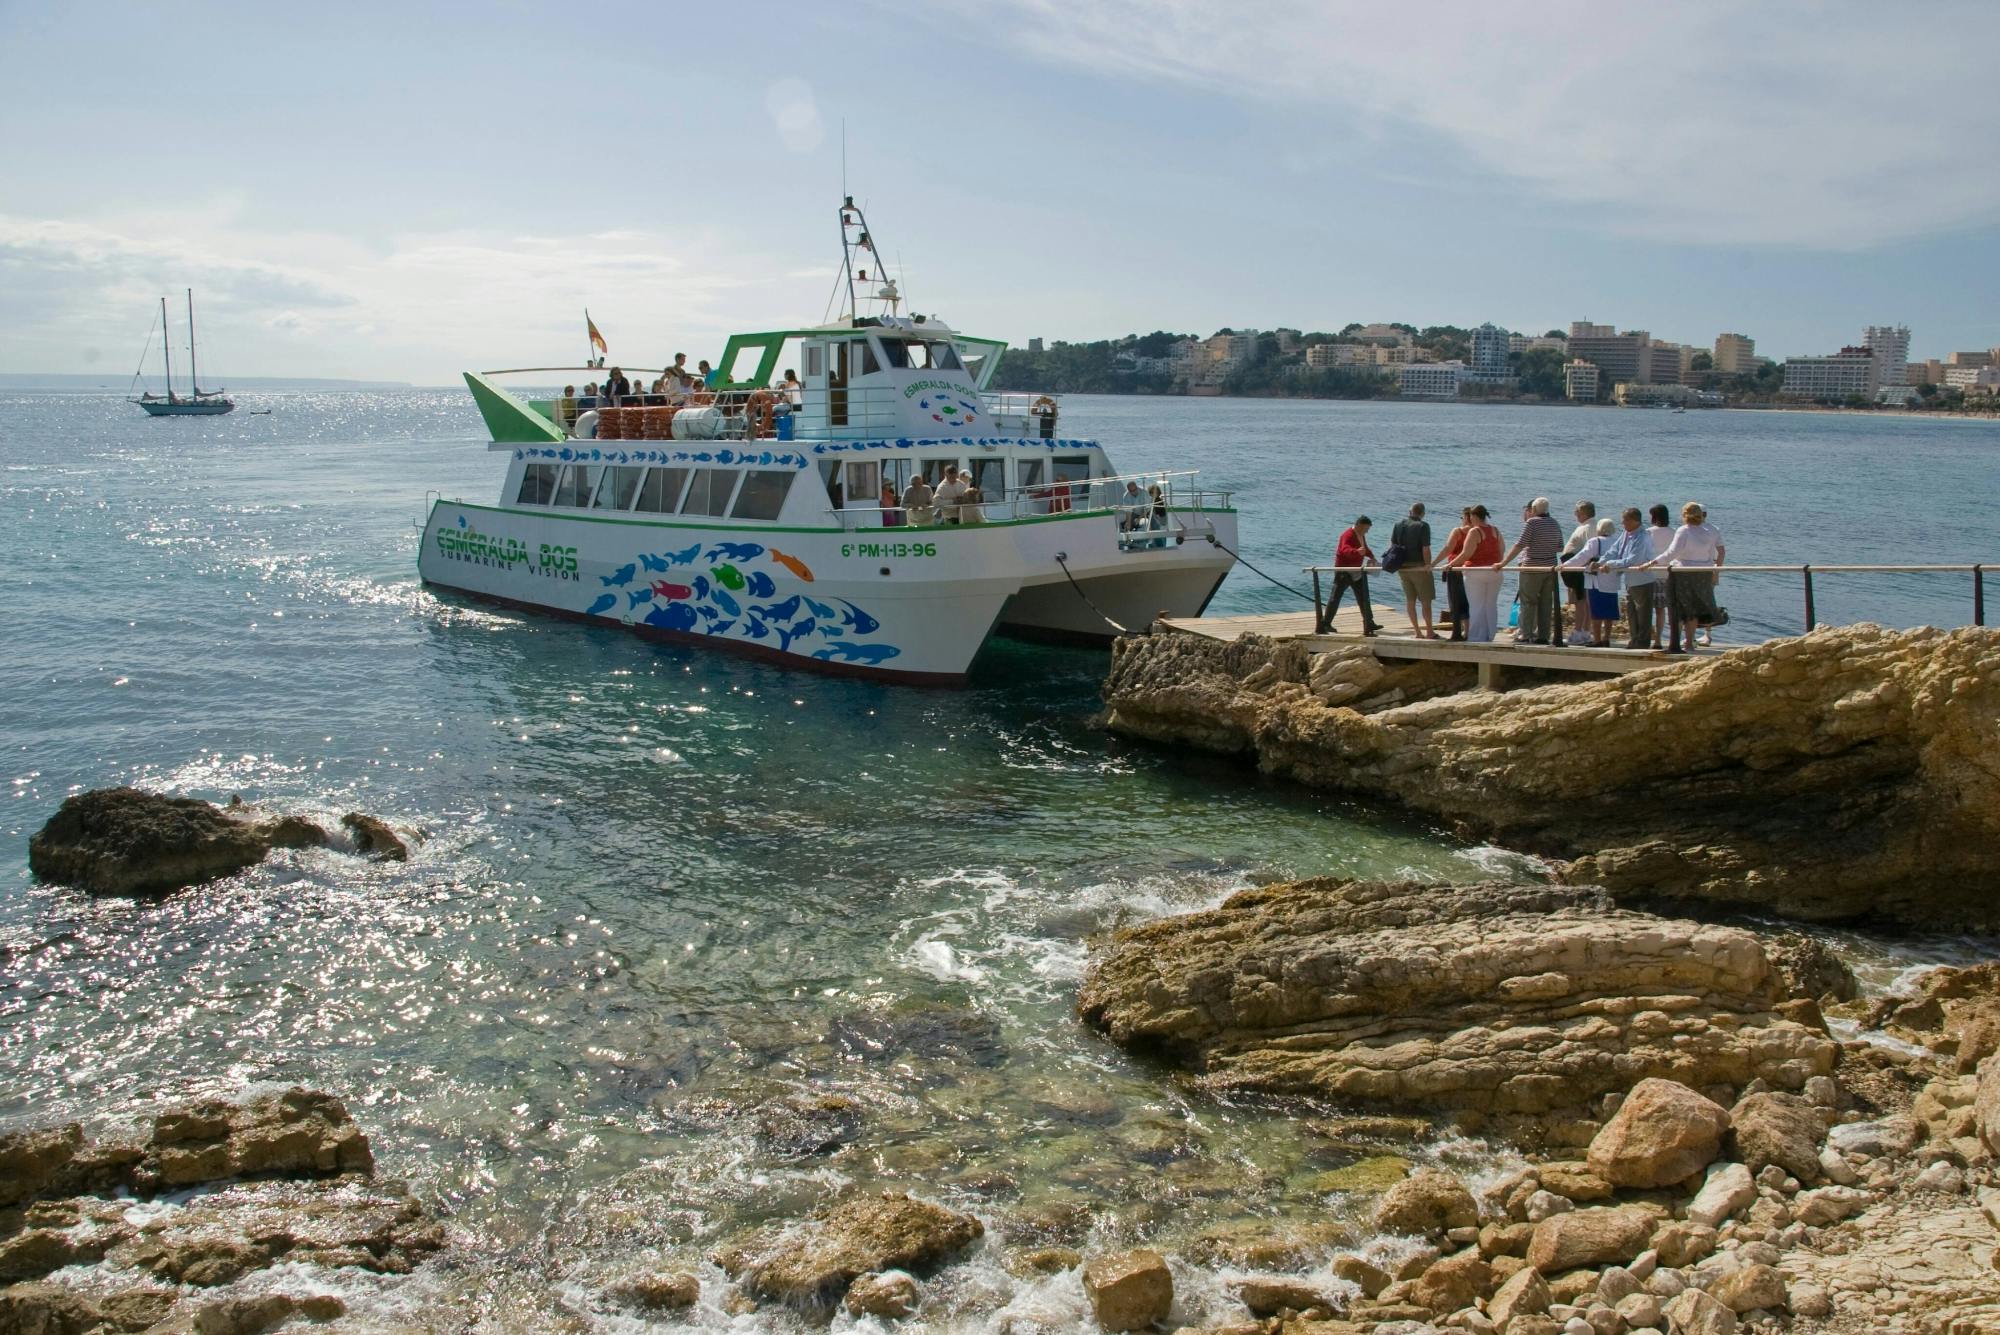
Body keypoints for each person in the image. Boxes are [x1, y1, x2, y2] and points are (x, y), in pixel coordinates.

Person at [1637, 501, 1725, 652]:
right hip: (1703, 573)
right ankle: (1689, 643)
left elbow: (1672, 553)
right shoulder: (1709, 532)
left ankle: (1675, 644)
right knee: (1694, 610)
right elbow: (1712, 555)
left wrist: (1652, 562)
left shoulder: (1684, 530)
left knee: (1678, 608)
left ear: (1685, 515)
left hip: (1682, 573)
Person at [1499, 497, 1564, 645]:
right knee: (1546, 603)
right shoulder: (1555, 523)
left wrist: (1503, 562)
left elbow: (1520, 544)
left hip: (1532, 566)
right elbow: (1560, 547)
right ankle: (1543, 635)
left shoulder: (1532, 523)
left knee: (1528, 601)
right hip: (1550, 567)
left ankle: (1525, 633)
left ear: (1534, 510)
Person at [1597, 507, 1660, 650]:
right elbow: (1614, 550)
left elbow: (1633, 560)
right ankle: (1634, 639)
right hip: (1630, 580)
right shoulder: (1626, 534)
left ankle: (1642, 642)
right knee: (1631, 612)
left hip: (1643, 580)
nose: (1622, 523)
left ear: (1635, 521)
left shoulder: (1642, 537)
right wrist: (1601, 561)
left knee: (1643, 613)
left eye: (1625, 520)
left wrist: (1610, 564)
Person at [1445, 505, 1505, 642]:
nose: (1469, 519)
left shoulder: (1475, 532)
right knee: (1491, 604)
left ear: (1475, 516)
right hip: (1494, 572)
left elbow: (1466, 553)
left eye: (1470, 516)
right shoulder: (1496, 530)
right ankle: (1490, 635)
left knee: (1476, 604)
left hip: (1476, 572)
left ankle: (1477, 636)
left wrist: (1450, 564)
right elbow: (1501, 551)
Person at [1321, 516, 1383, 636]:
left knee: (1364, 596)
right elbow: (1344, 549)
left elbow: (1364, 549)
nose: (1367, 531)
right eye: (1366, 528)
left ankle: (1368, 622)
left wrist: (1372, 557)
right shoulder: (1347, 535)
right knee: (1335, 597)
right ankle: (1325, 623)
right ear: (1359, 525)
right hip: (1344, 571)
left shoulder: (1361, 535)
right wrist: (1356, 552)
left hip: (1356, 570)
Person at [1564, 517, 1621, 647]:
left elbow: (1582, 556)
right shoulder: (1617, 542)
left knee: (1595, 611)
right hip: (1612, 581)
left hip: (1596, 581)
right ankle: (1606, 638)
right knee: (1609, 613)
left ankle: (1597, 639)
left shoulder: (1595, 541)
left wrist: (1566, 565)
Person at [1389, 502, 1437, 639]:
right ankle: (1429, 631)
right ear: (1422, 513)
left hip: (1402, 567)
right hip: (1418, 567)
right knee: (1426, 601)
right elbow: (1425, 548)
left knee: (1410, 600)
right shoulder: (1423, 526)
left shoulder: (1398, 525)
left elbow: (1392, 545)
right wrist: (1428, 565)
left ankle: (1417, 632)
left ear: (1410, 512)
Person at [1562, 501, 1598, 645]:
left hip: (1579, 570)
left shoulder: (1588, 528)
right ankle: (1584, 631)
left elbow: (1588, 550)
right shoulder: (1591, 526)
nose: (1575, 514)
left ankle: (1580, 632)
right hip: (1580, 567)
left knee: (1581, 601)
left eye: (1577, 512)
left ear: (1583, 512)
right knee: (1584, 601)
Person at [1435, 506, 1473, 641]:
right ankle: (1468, 632)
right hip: (1471, 569)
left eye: (1462, 517)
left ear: (1467, 517)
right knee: (1468, 602)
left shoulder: (1458, 531)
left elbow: (1447, 549)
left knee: (1455, 602)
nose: (1462, 520)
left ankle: (1456, 632)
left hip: (1455, 568)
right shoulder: (1478, 531)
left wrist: (1433, 563)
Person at [1646, 503, 1675, 647]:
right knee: (1662, 610)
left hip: (1650, 574)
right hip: (1667, 574)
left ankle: (1646, 639)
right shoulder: (1674, 532)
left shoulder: (1648, 532)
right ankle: (1659, 640)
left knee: (1646, 609)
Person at [1146, 482, 1170, 547]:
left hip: (1161, 523)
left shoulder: (1159, 501)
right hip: (1159, 523)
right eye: (1152, 493)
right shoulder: (1153, 501)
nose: (1153, 494)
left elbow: (1158, 514)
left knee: (1160, 539)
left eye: (1154, 493)